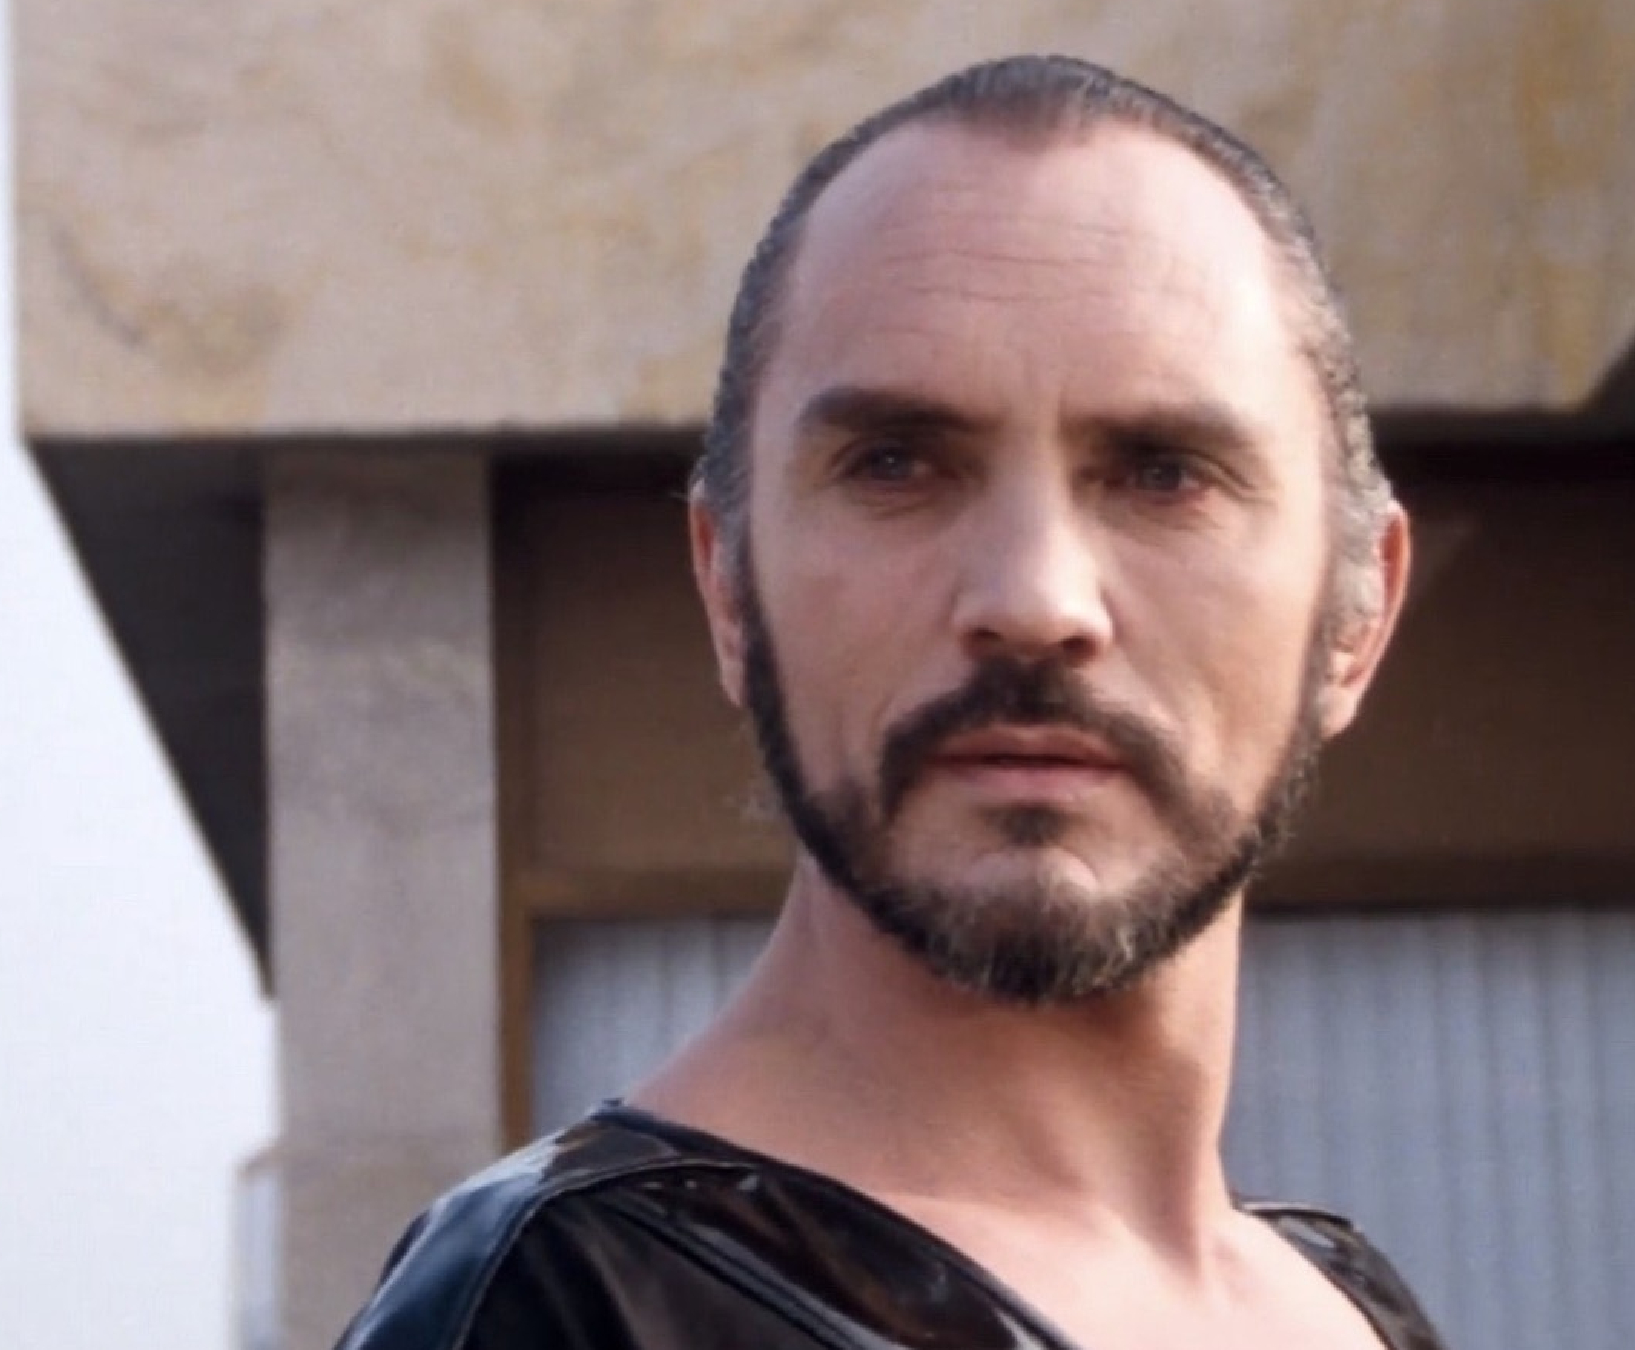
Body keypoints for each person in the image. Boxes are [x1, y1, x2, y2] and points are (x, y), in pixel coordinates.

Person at [336, 53, 1438, 1350]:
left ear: (1357, 614)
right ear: (729, 586)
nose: (1035, 599)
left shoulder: (1344, 1306)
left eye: (1163, 473)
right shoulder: (559, 1308)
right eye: (896, 464)